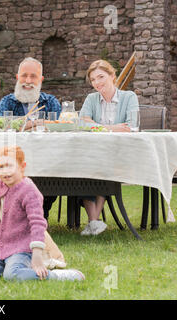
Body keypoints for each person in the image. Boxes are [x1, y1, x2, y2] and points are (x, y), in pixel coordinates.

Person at [0, 146, 85, 281]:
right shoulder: (3, 184)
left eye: (10, 166)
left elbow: (38, 224)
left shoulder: (28, 190)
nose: (5, 172)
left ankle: (58, 276)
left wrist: (36, 255)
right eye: (1, 167)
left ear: (22, 166)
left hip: (22, 250)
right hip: (3, 250)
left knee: (12, 275)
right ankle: (18, 272)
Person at [78, 60, 139, 236]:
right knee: (85, 166)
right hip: (94, 153)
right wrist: (112, 127)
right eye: (93, 79)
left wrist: (97, 126)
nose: (97, 82)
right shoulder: (91, 99)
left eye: (101, 77)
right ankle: (94, 222)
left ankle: (93, 222)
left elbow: (131, 126)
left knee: (100, 166)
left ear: (112, 76)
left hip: (120, 153)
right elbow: (82, 123)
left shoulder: (129, 97)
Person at [0, 57, 61, 219]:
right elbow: (1, 127)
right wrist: (35, 123)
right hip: (14, 159)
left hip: (45, 158)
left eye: (33, 76)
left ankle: (41, 213)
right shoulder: (7, 102)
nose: (28, 81)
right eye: (24, 75)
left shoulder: (50, 102)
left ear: (41, 80)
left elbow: (59, 126)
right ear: (18, 77)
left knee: (53, 172)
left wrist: (20, 124)